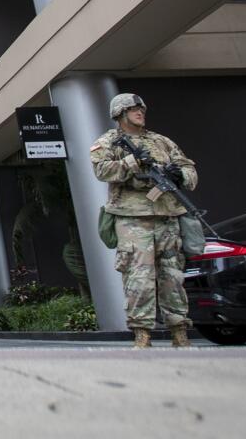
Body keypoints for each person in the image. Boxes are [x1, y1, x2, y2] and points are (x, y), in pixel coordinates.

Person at [90, 93, 199, 348]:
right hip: (132, 219)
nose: (140, 112)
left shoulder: (161, 142)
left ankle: (179, 331)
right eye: (133, 109)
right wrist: (132, 162)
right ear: (120, 114)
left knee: (172, 276)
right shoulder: (109, 142)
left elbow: (190, 169)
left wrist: (179, 175)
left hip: (167, 216)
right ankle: (142, 333)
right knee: (139, 277)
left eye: (141, 109)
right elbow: (101, 170)